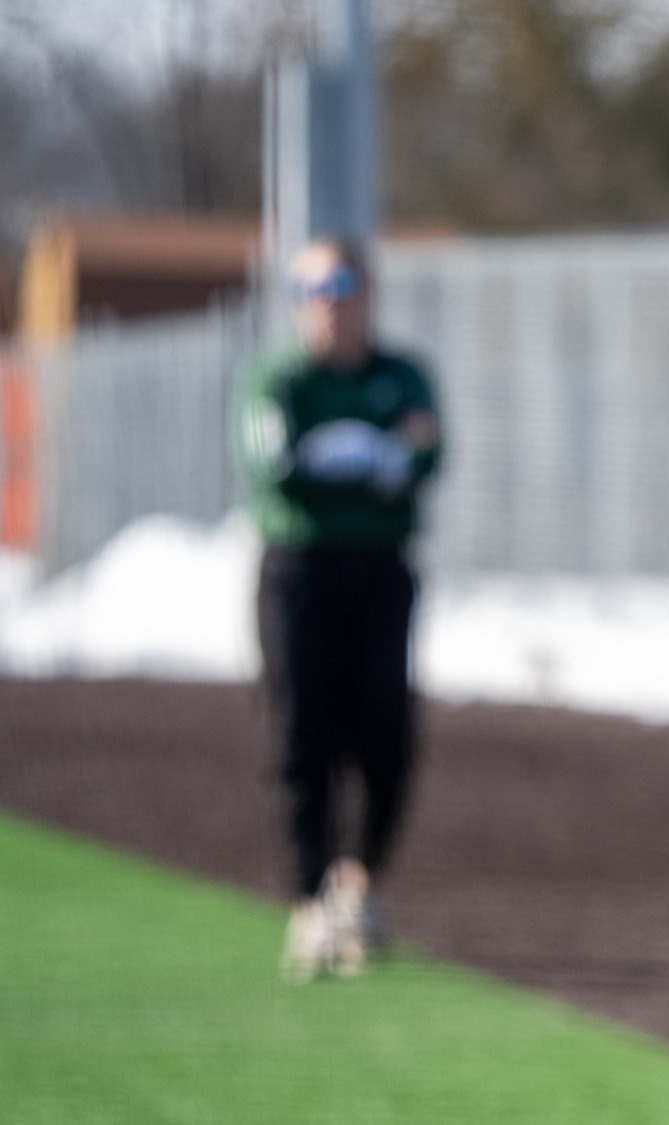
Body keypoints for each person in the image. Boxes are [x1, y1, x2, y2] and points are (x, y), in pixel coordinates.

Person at [235, 238, 443, 981]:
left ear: (367, 294)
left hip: (381, 571)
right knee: (299, 732)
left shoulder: (402, 375)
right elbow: (281, 471)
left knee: (386, 734)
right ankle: (306, 899)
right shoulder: (281, 381)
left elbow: (423, 459)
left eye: (341, 283)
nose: (327, 300)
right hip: (297, 570)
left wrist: (363, 460)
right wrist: (372, 459)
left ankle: (357, 884)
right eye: (311, 286)